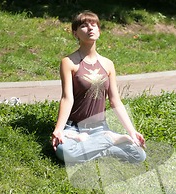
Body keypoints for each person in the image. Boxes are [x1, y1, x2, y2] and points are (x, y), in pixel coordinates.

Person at [51, 10, 146, 164]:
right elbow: (67, 98)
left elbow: (115, 101)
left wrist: (132, 132)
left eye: (93, 25)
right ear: (75, 33)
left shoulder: (108, 64)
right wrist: (59, 129)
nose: (90, 28)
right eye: (84, 25)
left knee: (139, 155)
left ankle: (98, 142)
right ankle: (107, 142)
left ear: (99, 31)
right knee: (65, 153)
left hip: (99, 128)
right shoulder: (68, 62)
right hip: (74, 128)